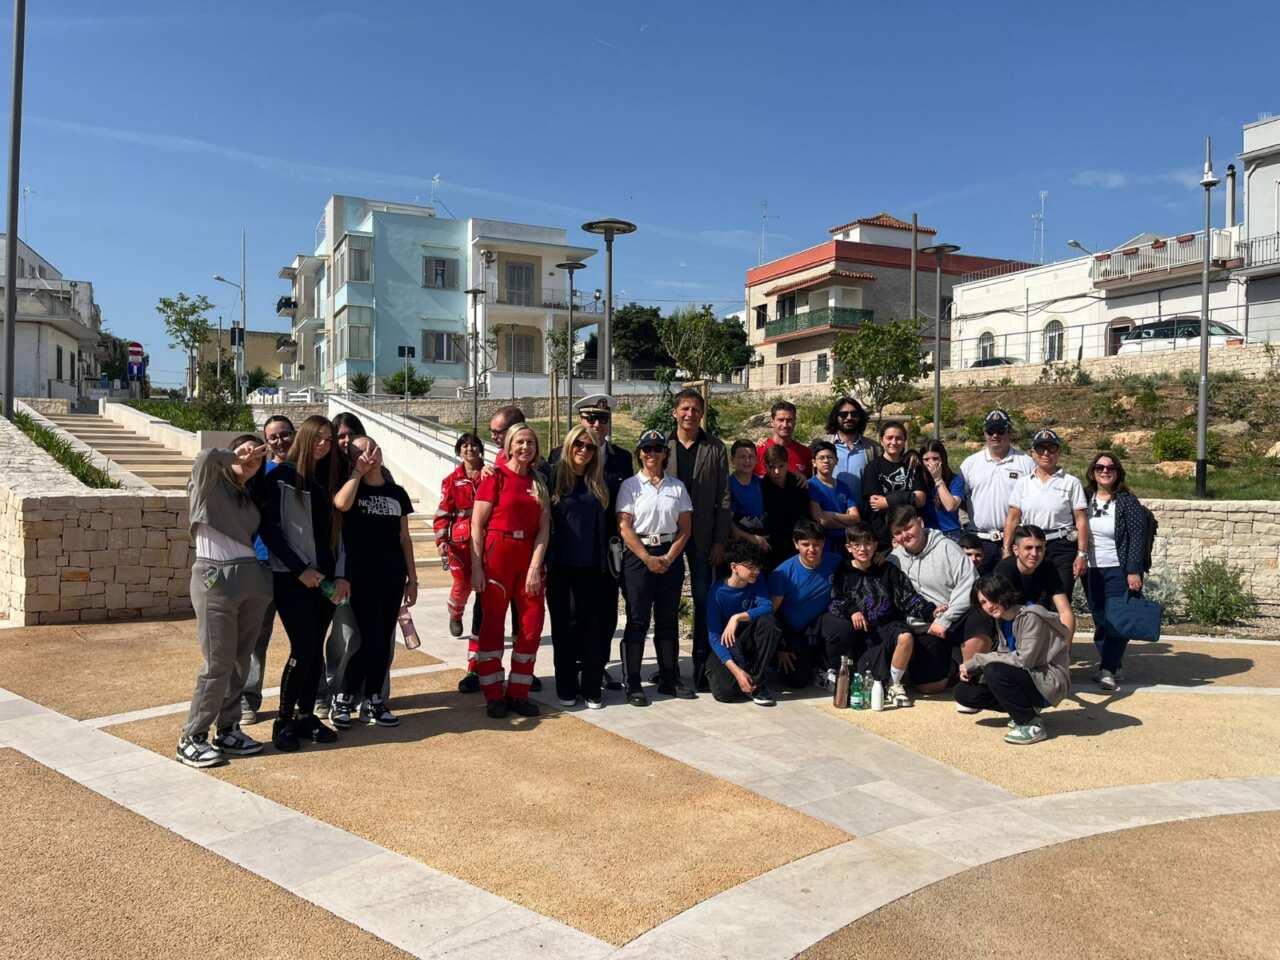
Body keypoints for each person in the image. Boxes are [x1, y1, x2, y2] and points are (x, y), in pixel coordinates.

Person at [176, 435, 273, 768]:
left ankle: (228, 729)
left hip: (251, 580)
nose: (250, 459)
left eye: (257, 457)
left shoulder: (247, 496)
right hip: (214, 579)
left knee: (240, 662)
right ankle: (192, 737)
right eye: (245, 452)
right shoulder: (207, 483)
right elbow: (204, 457)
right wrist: (234, 455)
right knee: (217, 663)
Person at [258, 415, 347, 752]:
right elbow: (270, 531)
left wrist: (340, 575)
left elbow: (337, 536)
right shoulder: (280, 476)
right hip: (292, 578)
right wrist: (300, 570)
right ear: (306, 436)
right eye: (319, 437)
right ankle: (283, 721)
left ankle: (306, 716)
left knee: (314, 650)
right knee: (303, 647)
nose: (324, 444)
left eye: (329, 439)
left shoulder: (328, 480)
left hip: (326, 582)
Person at [330, 436, 416, 729]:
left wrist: (413, 579)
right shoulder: (352, 488)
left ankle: (373, 699)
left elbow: (404, 538)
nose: (369, 455)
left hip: (392, 576)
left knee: (382, 640)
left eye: (372, 448)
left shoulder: (397, 493)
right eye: (359, 452)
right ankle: (344, 697)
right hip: (361, 576)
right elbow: (340, 504)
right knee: (370, 639)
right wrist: (357, 472)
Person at [549, 395, 633, 693]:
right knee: (571, 615)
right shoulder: (557, 456)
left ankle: (597, 667)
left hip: (607, 549)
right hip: (570, 550)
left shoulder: (622, 457)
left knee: (605, 614)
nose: (597, 424)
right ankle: (573, 668)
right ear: (580, 421)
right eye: (590, 418)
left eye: (603, 419)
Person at [471, 424, 551, 718]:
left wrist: (535, 566)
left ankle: (518, 692)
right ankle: (493, 694)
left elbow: (543, 529)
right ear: (509, 446)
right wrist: (476, 568)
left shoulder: (539, 481)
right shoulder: (495, 477)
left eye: (530, 442)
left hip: (527, 556)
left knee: (531, 625)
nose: (525, 447)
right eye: (519, 442)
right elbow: (477, 524)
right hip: (497, 555)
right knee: (492, 625)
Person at [617, 429, 695, 705]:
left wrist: (669, 557)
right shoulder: (630, 486)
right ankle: (633, 681)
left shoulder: (677, 487)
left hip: (668, 553)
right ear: (639, 453)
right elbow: (625, 526)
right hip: (639, 555)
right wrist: (646, 557)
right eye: (647, 449)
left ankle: (669, 678)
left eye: (657, 449)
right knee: (638, 619)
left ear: (665, 454)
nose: (652, 454)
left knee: (667, 618)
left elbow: (685, 528)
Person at [960, 526, 1076, 705]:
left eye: (1039, 548)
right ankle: (973, 675)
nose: (1034, 553)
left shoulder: (1047, 567)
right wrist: (976, 662)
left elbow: (1065, 611)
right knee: (980, 622)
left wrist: (1064, 650)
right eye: (1028, 548)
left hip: (1029, 619)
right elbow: (993, 609)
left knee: (1008, 665)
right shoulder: (1005, 570)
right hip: (1006, 618)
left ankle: (1028, 701)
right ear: (1015, 549)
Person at [826, 523, 938, 709]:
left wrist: (931, 612)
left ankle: (895, 684)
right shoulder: (842, 572)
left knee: (906, 637)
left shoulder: (888, 569)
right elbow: (835, 600)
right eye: (857, 545)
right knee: (865, 684)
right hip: (861, 634)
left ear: (875, 545)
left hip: (888, 625)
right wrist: (852, 611)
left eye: (867, 544)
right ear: (849, 547)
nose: (863, 549)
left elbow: (907, 597)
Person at [664, 388, 730, 691]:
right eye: (685, 409)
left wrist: (719, 541)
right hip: (669, 535)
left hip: (704, 537)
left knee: (703, 600)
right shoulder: (663, 445)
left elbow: (724, 497)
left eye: (695, 409)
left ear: (702, 414)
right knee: (668, 601)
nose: (689, 414)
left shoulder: (714, 448)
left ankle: (702, 668)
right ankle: (668, 669)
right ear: (675, 412)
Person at [956, 574, 1071, 746]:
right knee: (964, 692)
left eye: (992, 598)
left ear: (1003, 594)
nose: (989, 606)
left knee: (994, 670)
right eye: (983, 602)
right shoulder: (1002, 620)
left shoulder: (1031, 616)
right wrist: (975, 671)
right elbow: (1004, 655)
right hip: (1029, 678)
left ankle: (1031, 724)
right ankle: (1026, 709)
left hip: (1048, 681)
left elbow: (1025, 659)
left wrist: (978, 661)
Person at [546, 424, 612, 709]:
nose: (584, 450)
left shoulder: (599, 483)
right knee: (563, 628)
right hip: (559, 567)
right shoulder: (552, 477)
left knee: (592, 627)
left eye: (590, 447)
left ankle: (592, 688)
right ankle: (566, 686)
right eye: (578, 444)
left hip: (592, 567)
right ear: (569, 445)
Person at [887, 505, 976, 695]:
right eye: (898, 532)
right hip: (924, 627)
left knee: (979, 620)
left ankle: (973, 677)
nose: (905, 535)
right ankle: (953, 666)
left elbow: (970, 584)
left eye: (908, 528)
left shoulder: (947, 547)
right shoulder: (893, 560)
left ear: (920, 523)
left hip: (956, 617)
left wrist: (946, 618)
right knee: (929, 688)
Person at [239, 414, 293, 726]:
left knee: (307, 637)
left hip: (299, 568)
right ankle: (247, 699)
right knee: (256, 637)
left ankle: (316, 695)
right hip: (262, 564)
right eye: (273, 437)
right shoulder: (259, 473)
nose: (280, 441)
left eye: (285, 434)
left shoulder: (306, 471)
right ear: (266, 441)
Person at [1083, 452, 1149, 691]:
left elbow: (1137, 538)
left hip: (1118, 569)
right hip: (1091, 569)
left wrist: (1133, 570)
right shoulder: (1084, 497)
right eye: (1100, 467)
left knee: (1118, 619)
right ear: (1092, 472)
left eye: (1110, 468)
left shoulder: (1127, 501)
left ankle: (1108, 669)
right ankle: (1113, 663)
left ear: (1118, 472)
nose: (1105, 471)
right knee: (1100, 619)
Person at [1004, 428, 1088, 603]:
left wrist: (1082, 554)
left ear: (1058, 452)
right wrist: (1006, 549)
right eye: (1040, 448)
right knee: (1034, 599)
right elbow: (1012, 519)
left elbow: (1081, 520)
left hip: (1061, 547)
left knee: (1061, 598)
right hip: (1031, 547)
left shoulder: (1071, 482)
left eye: (1051, 448)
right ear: (1033, 453)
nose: (1046, 453)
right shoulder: (1023, 483)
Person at [767, 520, 844, 690]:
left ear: (823, 543)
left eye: (816, 544)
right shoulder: (782, 573)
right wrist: (780, 647)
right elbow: (770, 615)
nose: (812, 549)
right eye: (805, 544)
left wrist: (880, 557)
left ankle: (827, 668)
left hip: (820, 624)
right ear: (796, 544)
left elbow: (860, 564)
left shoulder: (835, 562)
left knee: (842, 626)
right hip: (792, 631)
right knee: (797, 680)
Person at [705, 540, 782, 706]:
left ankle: (757, 683)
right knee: (725, 694)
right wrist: (736, 671)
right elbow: (713, 636)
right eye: (751, 567)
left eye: (758, 567)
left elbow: (767, 607)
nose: (756, 571)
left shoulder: (757, 581)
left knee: (768, 623)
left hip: (748, 641)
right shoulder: (717, 593)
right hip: (728, 645)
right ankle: (741, 675)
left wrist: (737, 617)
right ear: (734, 567)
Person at [960, 409, 1035, 572]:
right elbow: (960, 499)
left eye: (1000, 430)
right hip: (979, 542)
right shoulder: (970, 464)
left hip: (1013, 541)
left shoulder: (1026, 463)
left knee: (1012, 586)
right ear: (984, 433)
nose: (995, 435)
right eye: (990, 431)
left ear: (1009, 432)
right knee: (979, 587)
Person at [434, 433, 484, 659]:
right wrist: (442, 540)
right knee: (462, 584)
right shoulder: (451, 480)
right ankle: (455, 613)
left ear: (480, 449)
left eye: (474, 445)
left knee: (486, 587)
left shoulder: (491, 474)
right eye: (464, 446)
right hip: (460, 543)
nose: (469, 449)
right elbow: (443, 513)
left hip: (488, 539)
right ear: (459, 451)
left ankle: (482, 629)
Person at [861, 420, 927, 553]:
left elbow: (920, 499)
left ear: (905, 441)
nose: (894, 442)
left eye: (898, 438)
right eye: (889, 438)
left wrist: (888, 500)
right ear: (881, 440)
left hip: (912, 535)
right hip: (885, 539)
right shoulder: (872, 468)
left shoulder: (913, 465)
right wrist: (910, 497)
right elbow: (876, 505)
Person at [760, 444, 814, 570]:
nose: (777, 472)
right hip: (772, 547)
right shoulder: (761, 487)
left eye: (781, 466)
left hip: (797, 544)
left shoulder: (799, 483)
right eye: (772, 467)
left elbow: (806, 515)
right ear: (765, 466)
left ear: (787, 464)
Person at [820, 396, 881, 505]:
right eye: (844, 414)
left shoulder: (873, 448)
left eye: (854, 414)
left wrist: (911, 454)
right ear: (836, 417)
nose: (849, 417)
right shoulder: (822, 446)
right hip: (829, 512)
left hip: (863, 512)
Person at [807, 439, 860, 554]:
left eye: (829, 457)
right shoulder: (811, 486)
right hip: (823, 543)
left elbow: (856, 519)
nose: (826, 461)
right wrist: (846, 521)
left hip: (847, 543)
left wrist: (832, 515)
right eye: (821, 458)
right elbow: (821, 521)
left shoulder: (844, 487)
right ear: (814, 462)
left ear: (836, 461)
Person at [754, 400, 813, 478]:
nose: (785, 425)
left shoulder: (805, 453)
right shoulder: (759, 451)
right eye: (780, 420)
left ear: (795, 421)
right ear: (772, 422)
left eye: (789, 420)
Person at [728, 439, 769, 552]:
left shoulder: (762, 483)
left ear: (756, 459)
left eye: (751, 456)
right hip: (739, 545)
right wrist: (753, 539)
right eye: (742, 457)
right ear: (732, 460)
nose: (747, 460)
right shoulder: (727, 486)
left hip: (763, 541)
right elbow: (728, 524)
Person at [921, 440, 964, 541]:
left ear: (943, 459)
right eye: (926, 459)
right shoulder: (921, 479)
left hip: (950, 534)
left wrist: (938, 479)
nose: (931, 463)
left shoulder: (955, 480)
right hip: (927, 534)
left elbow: (950, 506)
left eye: (935, 458)